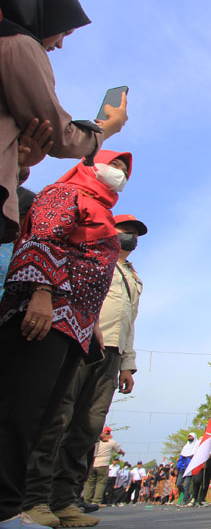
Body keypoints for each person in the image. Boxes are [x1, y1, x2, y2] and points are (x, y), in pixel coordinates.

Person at [0, 149, 131, 528]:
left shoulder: (101, 208)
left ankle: (13, 505)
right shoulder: (66, 193)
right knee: (18, 412)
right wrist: (41, 291)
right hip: (45, 313)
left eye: (125, 170)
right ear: (90, 164)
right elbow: (42, 238)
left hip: (74, 325)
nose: (119, 173)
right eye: (114, 164)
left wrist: (88, 323)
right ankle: (8, 506)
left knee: (40, 417)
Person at [0, 0, 128, 244]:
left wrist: (21, 162)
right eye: (64, 32)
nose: (59, 45)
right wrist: (106, 129)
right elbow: (60, 136)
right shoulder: (19, 45)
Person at [82, 428, 124, 509]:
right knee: (100, 483)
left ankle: (86, 500)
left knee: (90, 482)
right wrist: (122, 453)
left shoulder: (96, 441)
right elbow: (118, 451)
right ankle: (96, 501)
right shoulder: (112, 442)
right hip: (103, 464)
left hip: (93, 463)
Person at [176, 433, 197, 505]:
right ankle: (187, 495)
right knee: (178, 484)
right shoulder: (186, 446)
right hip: (182, 468)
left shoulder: (196, 445)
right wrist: (177, 467)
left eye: (191, 436)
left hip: (189, 469)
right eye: (189, 436)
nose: (190, 437)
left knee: (186, 485)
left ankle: (184, 501)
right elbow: (181, 458)